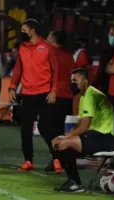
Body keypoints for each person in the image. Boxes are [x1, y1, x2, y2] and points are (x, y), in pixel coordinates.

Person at [52, 68, 114, 193]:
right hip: (93, 136)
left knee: (63, 143)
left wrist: (65, 139)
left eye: (75, 80)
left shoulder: (91, 95)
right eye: (71, 80)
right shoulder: (83, 96)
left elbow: (84, 126)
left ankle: (74, 183)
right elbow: (79, 124)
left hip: (103, 138)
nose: (72, 83)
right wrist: (64, 135)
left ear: (85, 82)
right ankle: (73, 182)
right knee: (56, 142)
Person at [9, 19, 59, 171]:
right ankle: (28, 161)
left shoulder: (47, 47)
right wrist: (12, 87)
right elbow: (18, 69)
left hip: (44, 93)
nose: (21, 33)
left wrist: (54, 90)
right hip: (27, 94)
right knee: (25, 129)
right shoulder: (22, 48)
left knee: (45, 127)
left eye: (24, 30)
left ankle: (57, 158)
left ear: (32, 31)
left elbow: (55, 70)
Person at [45, 30, 75, 173]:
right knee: (61, 131)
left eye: (48, 37)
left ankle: (58, 158)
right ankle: (57, 160)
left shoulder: (51, 54)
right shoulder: (69, 55)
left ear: (53, 39)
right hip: (68, 97)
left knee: (47, 128)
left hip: (54, 96)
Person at [100, 26, 114, 95]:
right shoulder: (105, 49)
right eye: (111, 34)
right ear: (108, 35)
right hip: (105, 84)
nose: (113, 37)